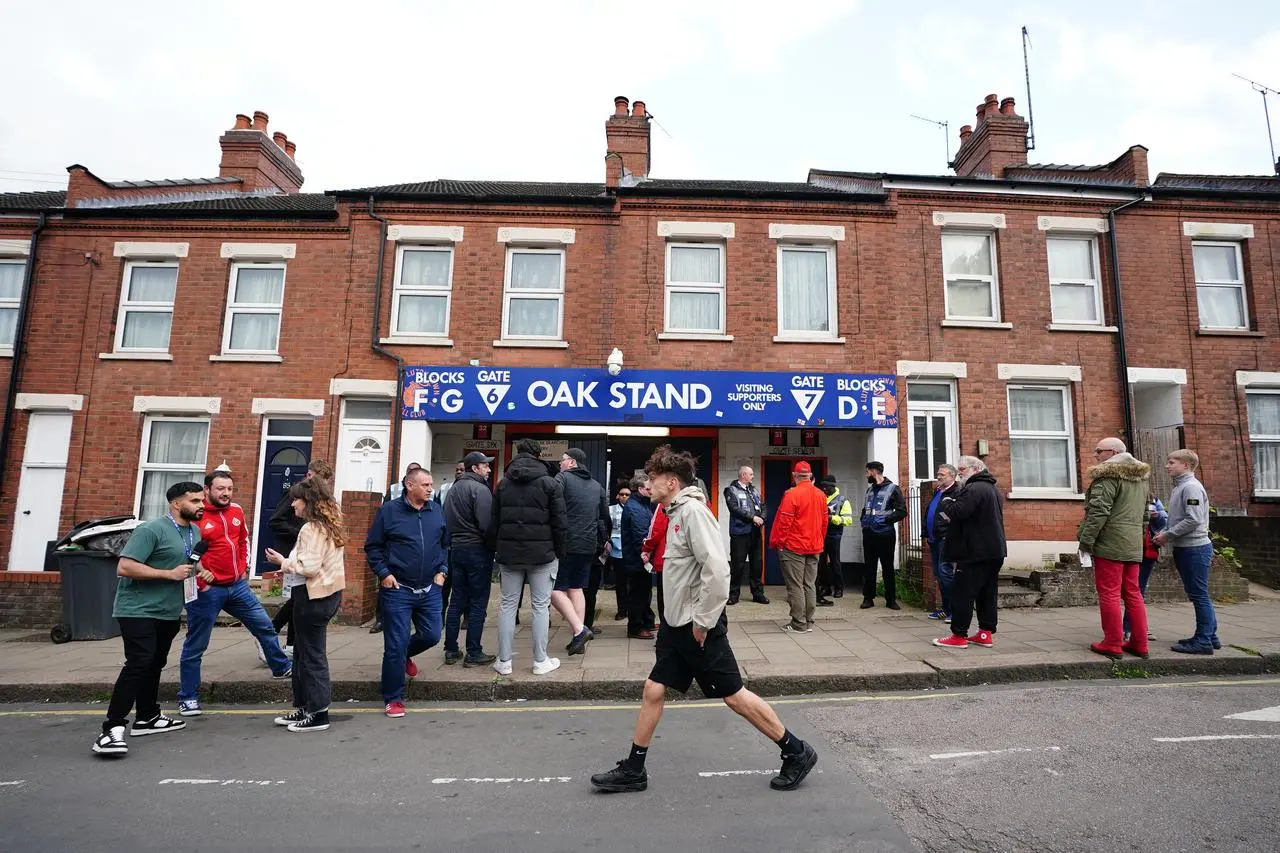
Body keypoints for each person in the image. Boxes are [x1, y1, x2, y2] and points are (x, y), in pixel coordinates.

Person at [590, 447, 818, 794]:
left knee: (734, 696)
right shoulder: (671, 511)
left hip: (697, 626)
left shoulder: (694, 513)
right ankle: (634, 768)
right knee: (653, 688)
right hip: (675, 623)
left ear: (671, 481)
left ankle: (796, 750)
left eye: (652, 478)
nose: (647, 483)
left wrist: (703, 622)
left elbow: (718, 570)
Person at [93, 482, 202, 756]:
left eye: (202, 500)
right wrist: (169, 575)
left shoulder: (194, 531)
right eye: (195, 501)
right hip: (137, 610)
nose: (201, 505)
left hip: (168, 610)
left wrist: (200, 573)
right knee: (139, 663)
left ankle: (147, 716)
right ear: (176, 504)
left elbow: (185, 565)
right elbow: (125, 566)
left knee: (155, 663)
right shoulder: (151, 529)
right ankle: (111, 729)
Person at [177, 470, 290, 717]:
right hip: (207, 590)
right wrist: (201, 575)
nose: (226, 493)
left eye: (229, 488)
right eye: (220, 489)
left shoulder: (236, 511)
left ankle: (281, 667)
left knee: (264, 627)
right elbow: (186, 551)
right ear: (207, 490)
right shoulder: (196, 515)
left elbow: (242, 541)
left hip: (237, 586)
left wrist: (243, 569)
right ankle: (188, 697)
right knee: (196, 644)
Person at [263, 476, 346, 733]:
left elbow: (308, 568)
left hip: (312, 597)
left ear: (308, 502)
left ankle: (318, 713)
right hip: (326, 594)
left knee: (310, 657)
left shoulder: (311, 529)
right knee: (301, 653)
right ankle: (304, 706)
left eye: (296, 500)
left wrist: (282, 563)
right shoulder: (328, 524)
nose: (293, 505)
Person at [364, 467, 448, 718]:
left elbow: (445, 545)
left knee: (432, 634)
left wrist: (442, 570)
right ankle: (393, 698)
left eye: (431, 484)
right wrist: (384, 574)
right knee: (395, 645)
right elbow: (373, 547)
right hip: (397, 588)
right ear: (409, 486)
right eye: (425, 485)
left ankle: (403, 657)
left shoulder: (437, 511)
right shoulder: (389, 511)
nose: (430, 489)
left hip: (430, 587)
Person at [491, 438, 567, 676]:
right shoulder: (550, 484)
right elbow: (560, 524)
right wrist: (559, 553)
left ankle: (503, 662)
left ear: (517, 454)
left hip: (509, 555)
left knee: (507, 606)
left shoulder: (503, 484)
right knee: (540, 607)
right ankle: (540, 661)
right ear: (538, 455)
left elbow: (493, 523)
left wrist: (496, 549)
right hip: (543, 555)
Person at [1077, 437, 1152, 660]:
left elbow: (1099, 511)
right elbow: (1145, 514)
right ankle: (1140, 643)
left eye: (1098, 451)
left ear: (1112, 452)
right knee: (1133, 593)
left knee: (1109, 593)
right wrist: (1139, 538)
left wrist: (1086, 540)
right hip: (1132, 543)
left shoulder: (1108, 475)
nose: (1095, 456)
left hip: (1110, 542)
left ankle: (1112, 643)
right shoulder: (1141, 478)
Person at [932, 456, 1006, 649]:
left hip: (975, 551)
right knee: (987, 593)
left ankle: (958, 635)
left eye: (962, 469)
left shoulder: (974, 488)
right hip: (994, 550)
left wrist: (947, 500)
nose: (959, 473)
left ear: (975, 469)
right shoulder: (993, 489)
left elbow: (958, 512)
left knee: (962, 593)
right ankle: (985, 633)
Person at [1155, 449, 1220, 655]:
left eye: (1172, 462)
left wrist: (1167, 535)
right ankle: (1210, 636)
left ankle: (1203, 641)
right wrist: (1165, 530)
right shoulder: (1180, 487)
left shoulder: (1190, 488)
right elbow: (1178, 518)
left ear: (1186, 465)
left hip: (1194, 548)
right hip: (1187, 547)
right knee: (1199, 594)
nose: (1168, 466)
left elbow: (1194, 519)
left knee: (1199, 595)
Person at [267, 458, 335, 654]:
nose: (321, 484)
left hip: (305, 556)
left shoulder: (320, 502)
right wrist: (304, 534)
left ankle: (286, 643)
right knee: (296, 601)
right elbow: (275, 521)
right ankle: (271, 635)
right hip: (291, 553)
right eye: (318, 478)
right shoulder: (296, 496)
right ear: (309, 475)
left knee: (297, 601)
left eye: (325, 480)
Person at [441, 451, 498, 667]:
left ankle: (451, 649)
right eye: (485, 466)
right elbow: (486, 525)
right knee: (477, 603)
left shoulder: (453, 489)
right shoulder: (480, 489)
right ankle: (474, 651)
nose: (489, 469)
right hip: (477, 550)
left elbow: (445, 520)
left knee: (456, 601)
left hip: (456, 549)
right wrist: (493, 549)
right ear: (474, 468)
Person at [554, 447, 610, 654]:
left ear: (572, 463)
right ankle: (578, 638)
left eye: (563, 459)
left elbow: (552, 505)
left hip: (565, 544)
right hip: (587, 545)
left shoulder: (562, 479)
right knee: (576, 589)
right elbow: (605, 516)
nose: (560, 463)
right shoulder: (597, 486)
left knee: (554, 590)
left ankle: (580, 630)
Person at [769, 461, 829, 634]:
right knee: (809, 584)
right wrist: (820, 540)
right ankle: (809, 621)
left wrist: (780, 542)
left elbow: (784, 522)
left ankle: (798, 624)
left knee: (795, 585)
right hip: (815, 545)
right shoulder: (820, 494)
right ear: (810, 476)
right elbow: (824, 522)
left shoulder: (792, 494)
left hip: (794, 546)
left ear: (795, 476)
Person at [371, 462, 424, 634]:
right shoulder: (393, 492)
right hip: (392, 549)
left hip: (415, 552)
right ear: (408, 479)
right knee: (386, 590)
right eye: (411, 471)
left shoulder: (429, 501)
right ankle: (380, 620)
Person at [859, 461, 907, 610]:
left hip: (885, 534)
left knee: (887, 567)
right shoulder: (869, 490)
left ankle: (891, 599)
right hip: (869, 533)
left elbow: (902, 511)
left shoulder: (893, 489)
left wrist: (886, 520)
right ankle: (868, 598)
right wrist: (863, 520)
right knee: (869, 567)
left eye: (867, 472)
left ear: (874, 471)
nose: (866, 475)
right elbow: (865, 509)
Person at [724, 466, 769, 605]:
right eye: (751, 474)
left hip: (755, 533)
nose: (753, 476)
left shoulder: (754, 490)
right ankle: (733, 594)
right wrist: (752, 518)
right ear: (743, 475)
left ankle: (758, 594)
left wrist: (762, 518)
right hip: (740, 533)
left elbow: (764, 506)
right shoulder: (731, 490)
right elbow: (734, 508)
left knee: (757, 565)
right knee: (738, 565)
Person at [1125, 494, 1167, 642]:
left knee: (1139, 589)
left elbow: (1164, 521)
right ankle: (1129, 627)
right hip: (1127, 547)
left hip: (1146, 549)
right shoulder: (1125, 492)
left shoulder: (1152, 498)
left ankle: (1135, 628)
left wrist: (1156, 517)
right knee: (1130, 590)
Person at [621, 475, 657, 639]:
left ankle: (647, 620)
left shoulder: (642, 505)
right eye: (648, 489)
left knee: (644, 591)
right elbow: (640, 535)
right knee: (637, 593)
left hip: (638, 558)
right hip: (637, 559)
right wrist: (646, 556)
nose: (651, 491)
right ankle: (636, 627)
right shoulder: (636, 508)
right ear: (640, 489)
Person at [924, 464, 960, 621]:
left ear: (952, 476)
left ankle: (954, 610)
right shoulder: (939, 491)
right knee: (939, 574)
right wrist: (926, 533)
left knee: (945, 573)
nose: (938, 477)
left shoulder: (957, 492)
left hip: (946, 539)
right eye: (938, 474)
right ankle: (945, 608)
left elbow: (957, 516)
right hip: (934, 539)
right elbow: (931, 513)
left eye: (942, 475)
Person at [816, 475, 854, 606]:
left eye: (826, 487)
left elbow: (848, 520)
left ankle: (839, 588)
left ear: (833, 487)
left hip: (834, 534)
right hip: (820, 534)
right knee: (821, 563)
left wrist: (833, 518)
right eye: (823, 487)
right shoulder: (820, 498)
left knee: (835, 562)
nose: (824, 489)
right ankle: (826, 587)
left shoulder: (843, 500)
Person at [607, 485, 631, 622]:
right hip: (616, 551)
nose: (624, 497)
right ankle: (621, 610)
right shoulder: (611, 510)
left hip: (631, 551)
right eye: (622, 494)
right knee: (620, 583)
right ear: (617, 496)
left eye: (627, 494)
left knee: (632, 583)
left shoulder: (633, 509)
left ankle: (631, 609)